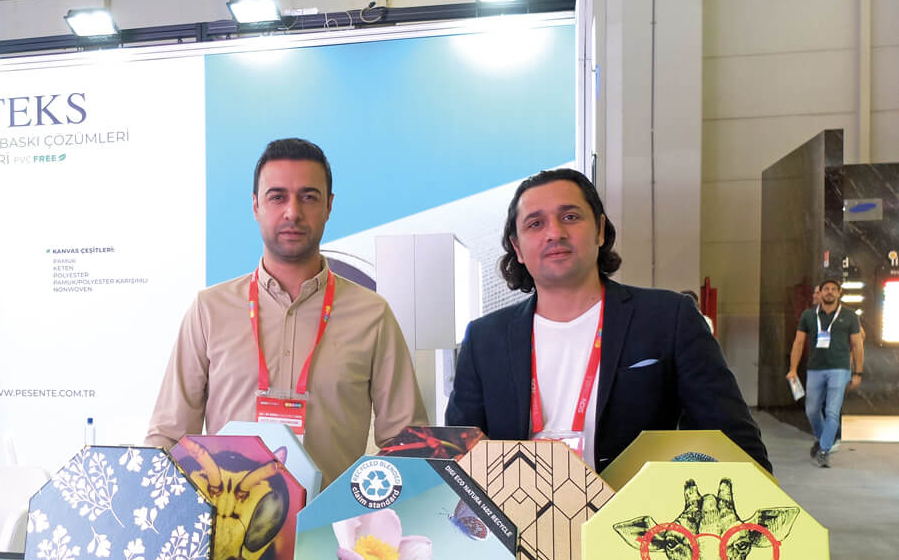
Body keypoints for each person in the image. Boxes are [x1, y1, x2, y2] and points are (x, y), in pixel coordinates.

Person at [445, 168, 771, 472]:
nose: (555, 232)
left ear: (600, 230)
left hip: (634, 511)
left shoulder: (668, 318)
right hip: (516, 511)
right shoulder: (485, 338)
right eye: (535, 224)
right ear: (517, 247)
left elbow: (735, 444)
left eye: (570, 217)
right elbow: (459, 454)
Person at [146, 138, 425, 485]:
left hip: (331, 517)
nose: (292, 212)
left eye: (308, 197)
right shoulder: (209, 310)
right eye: (277, 197)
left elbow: (407, 444)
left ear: (329, 206)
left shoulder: (372, 315)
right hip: (227, 515)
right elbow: (169, 439)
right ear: (255, 206)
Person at [787, 278, 863, 468]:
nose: (829, 292)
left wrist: (858, 372)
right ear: (819, 293)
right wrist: (793, 369)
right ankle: (823, 439)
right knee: (812, 410)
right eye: (826, 289)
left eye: (833, 289)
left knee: (831, 411)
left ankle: (824, 450)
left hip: (839, 369)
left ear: (839, 293)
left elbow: (857, 344)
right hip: (815, 369)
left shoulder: (849, 316)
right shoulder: (809, 316)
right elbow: (798, 342)